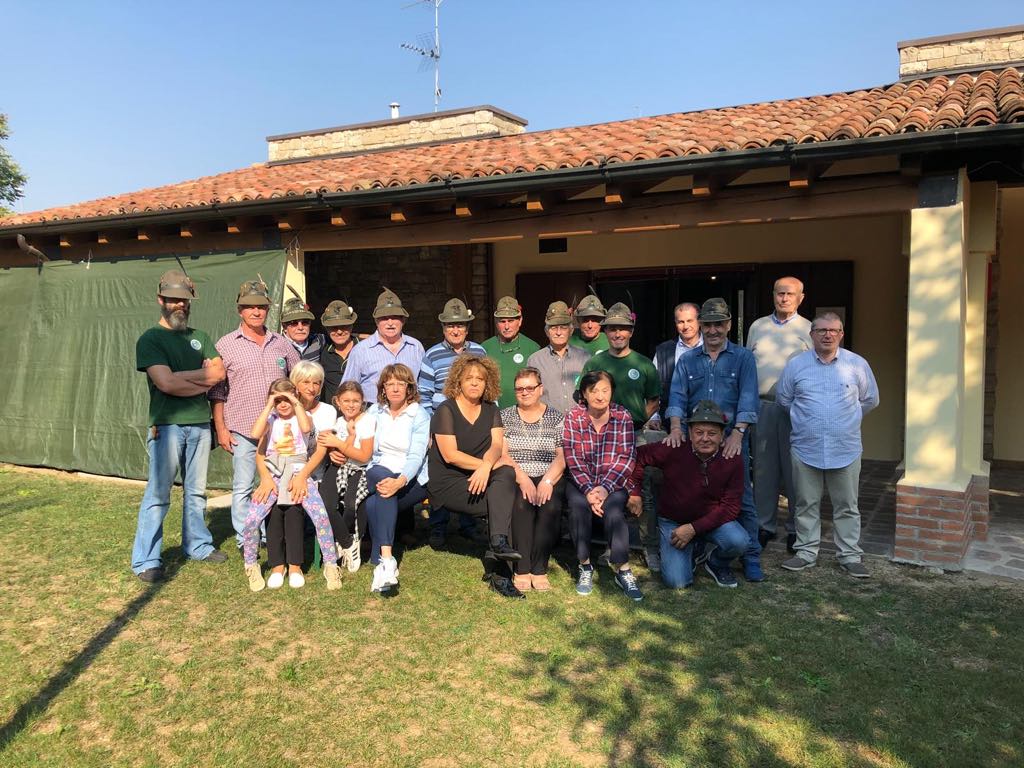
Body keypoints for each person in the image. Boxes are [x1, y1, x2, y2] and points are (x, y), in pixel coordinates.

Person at [131, 270, 227, 582]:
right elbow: (165, 384)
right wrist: (198, 378)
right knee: (159, 493)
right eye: (173, 300)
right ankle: (146, 560)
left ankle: (198, 545)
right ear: (161, 300)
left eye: (184, 301)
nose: (179, 306)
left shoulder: (201, 337)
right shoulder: (151, 339)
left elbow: (219, 375)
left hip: (200, 424)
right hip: (166, 426)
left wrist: (181, 378)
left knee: (197, 491)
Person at [664, 297, 764, 582]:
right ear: (701, 326)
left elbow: (748, 398)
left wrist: (738, 433)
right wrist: (674, 427)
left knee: (742, 498)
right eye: (708, 325)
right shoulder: (687, 360)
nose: (713, 330)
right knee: (693, 493)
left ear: (729, 325)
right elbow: (678, 396)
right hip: (695, 442)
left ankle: (751, 556)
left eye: (719, 324)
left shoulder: (743, 358)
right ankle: (698, 546)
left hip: (732, 438)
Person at [777, 312, 879, 578]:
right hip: (805, 447)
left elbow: (870, 400)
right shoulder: (796, 365)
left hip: (845, 447)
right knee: (805, 503)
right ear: (812, 334)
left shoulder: (857, 364)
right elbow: (784, 400)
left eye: (833, 330)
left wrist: (846, 420)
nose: (827, 335)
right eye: (821, 330)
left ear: (841, 334)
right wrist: (808, 422)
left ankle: (850, 556)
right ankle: (806, 552)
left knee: (846, 505)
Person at [209, 279, 300, 546]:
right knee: (243, 486)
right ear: (240, 310)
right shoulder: (225, 345)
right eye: (250, 307)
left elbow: (297, 378)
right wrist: (221, 428)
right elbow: (217, 391)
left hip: (278, 428)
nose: (256, 312)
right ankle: (246, 537)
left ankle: (277, 532)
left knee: (280, 482)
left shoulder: (281, 344)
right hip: (243, 428)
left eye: (261, 307)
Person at [428, 354, 523, 598]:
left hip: (481, 477)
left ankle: (499, 557)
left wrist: (486, 465)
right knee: (505, 503)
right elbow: (450, 456)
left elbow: (496, 446)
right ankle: (500, 568)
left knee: (506, 476)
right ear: (458, 381)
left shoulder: (491, 409)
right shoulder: (445, 410)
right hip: (449, 483)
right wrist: (483, 467)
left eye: (480, 379)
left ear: (487, 383)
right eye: (469, 378)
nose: (474, 383)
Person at [628, 400, 748, 589]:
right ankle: (692, 550)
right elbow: (637, 456)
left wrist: (693, 528)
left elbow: (731, 507)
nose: (705, 438)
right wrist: (634, 492)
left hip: (711, 522)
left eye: (712, 433)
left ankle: (715, 562)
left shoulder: (732, 457)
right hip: (674, 522)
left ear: (722, 435)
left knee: (739, 541)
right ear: (690, 433)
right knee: (677, 582)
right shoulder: (674, 447)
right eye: (699, 432)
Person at [239, 378, 343, 592]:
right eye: (278, 400)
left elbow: (306, 428)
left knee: (320, 516)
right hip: (274, 472)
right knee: (251, 519)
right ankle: (251, 564)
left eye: (287, 399)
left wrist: (294, 402)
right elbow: (255, 434)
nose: (283, 404)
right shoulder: (270, 419)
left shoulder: (303, 417)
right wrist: (270, 404)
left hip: (298, 472)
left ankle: (331, 565)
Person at [580, 301, 662, 572]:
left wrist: (635, 421)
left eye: (622, 329)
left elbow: (653, 400)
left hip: (635, 435)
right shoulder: (595, 362)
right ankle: (609, 544)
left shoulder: (643, 364)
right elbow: (584, 398)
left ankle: (649, 546)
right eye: (612, 329)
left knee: (643, 489)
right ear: (605, 332)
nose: (617, 334)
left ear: (631, 331)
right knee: (607, 487)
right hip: (602, 436)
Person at [563, 370, 643, 602]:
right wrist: (589, 491)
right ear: (584, 395)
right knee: (578, 508)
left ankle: (622, 568)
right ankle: (585, 565)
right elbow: (573, 458)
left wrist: (605, 488)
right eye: (594, 391)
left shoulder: (622, 416)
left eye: (605, 390)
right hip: (581, 483)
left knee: (614, 510)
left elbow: (626, 457)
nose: (600, 396)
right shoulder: (574, 417)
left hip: (614, 481)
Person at [746, 277, 812, 552]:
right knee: (763, 470)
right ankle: (765, 525)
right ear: (773, 295)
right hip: (763, 407)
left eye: (790, 294)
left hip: (797, 409)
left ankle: (797, 529)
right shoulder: (758, 327)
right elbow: (749, 365)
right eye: (780, 293)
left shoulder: (809, 329)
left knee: (796, 471)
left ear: (801, 297)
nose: (784, 298)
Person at [418, 297, 487, 547]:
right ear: (443, 329)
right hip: (443, 425)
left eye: (459, 325)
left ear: (467, 328)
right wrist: (430, 428)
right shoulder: (432, 355)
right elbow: (424, 395)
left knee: (468, 471)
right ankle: (438, 525)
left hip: (472, 424)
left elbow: (488, 390)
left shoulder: (479, 352)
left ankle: (469, 523)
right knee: (440, 475)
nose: (455, 330)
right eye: (450, 326)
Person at [363, 364, 430, 594]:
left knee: (378, 500)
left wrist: (400, 481)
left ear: (409, 387)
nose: (394, 389)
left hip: (410, 477)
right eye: (389, 384)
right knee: (384, 485)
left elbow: (417, 455)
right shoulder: (374, 412)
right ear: (382, 388)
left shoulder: (419, 414)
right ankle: (389, 560)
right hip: (377, 469)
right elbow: (365, 448)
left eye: (400, 384)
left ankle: (379, 560)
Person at [500, 367, 566, 592]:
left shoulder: (556, 417)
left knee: (549, 507)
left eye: (530, 387)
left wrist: (547, 481)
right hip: (517, 473)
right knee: (521, 504)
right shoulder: (505, 416)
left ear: (540, 389)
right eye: (520, 389)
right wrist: (523, 479)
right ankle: (522, 567)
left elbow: (562, 455)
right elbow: (503, 453)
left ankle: (539, 568)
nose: (525, 392)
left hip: (549, 474)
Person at [318, 381, 376, 573]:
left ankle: (351, 540)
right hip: (339, 467)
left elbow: (364, 455)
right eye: (346, 401)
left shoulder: (367, 421)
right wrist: (334, 451)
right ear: (338, 402)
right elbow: (342, 450)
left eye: (356, 401)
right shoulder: (339, 422)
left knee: (352, 504)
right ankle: (347, 542)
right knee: (326, 503)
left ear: (362, 402)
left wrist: (338, 444)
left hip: (360, 468)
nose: (351, 405)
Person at [342, 288, 424, 402]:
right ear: (376, 321)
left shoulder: (415, 347)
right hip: (373, 415)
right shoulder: (360, 350)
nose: (390, 323)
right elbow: (348, 390)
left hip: (410, 414)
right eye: (384, 318)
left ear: (403, 320)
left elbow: (424, 387)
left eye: (395, 317)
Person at [526, 300, 589, 415]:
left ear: (571, 331)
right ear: (546, 331)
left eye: (563, 327)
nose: (558, 332)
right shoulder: (535, 361)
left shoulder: (585, 357)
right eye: (553, 328)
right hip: (547, 426)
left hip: (579, 425)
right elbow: (530, 397)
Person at [481, 295, 540, 409]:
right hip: (492, 413)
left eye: (511, 321)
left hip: (524, 413)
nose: (507, 326)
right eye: (502, 321)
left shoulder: (533, 348)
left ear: (520, 321)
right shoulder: (485, 348)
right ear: (496, 322)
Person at [653, 302, 702, 424]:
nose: (685, 326)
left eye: (690, 321)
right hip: (672, 422)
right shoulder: (663, 351)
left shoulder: (711, 347)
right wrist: (654, 417)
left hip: (707, 421)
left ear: (699, 321)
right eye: (681, 322)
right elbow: (653, 389)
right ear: (675, 324)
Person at [318, 300, 359, 405]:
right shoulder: (321, 350)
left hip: (361, 415)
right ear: (327, 329)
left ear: (352, 326)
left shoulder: (365, 349)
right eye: (334, 327)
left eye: (344, 326)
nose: (339, 331)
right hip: (332, 416)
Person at [281, 297, 324, 362]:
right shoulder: (277, 346)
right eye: (294, 323)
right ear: (284, 327)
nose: (300, 327)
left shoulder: (318, 341)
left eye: (305, 322)